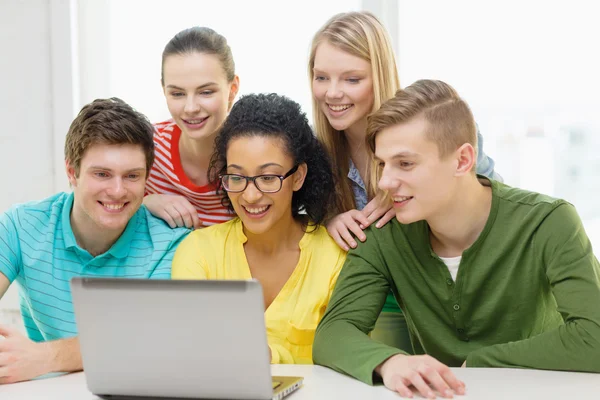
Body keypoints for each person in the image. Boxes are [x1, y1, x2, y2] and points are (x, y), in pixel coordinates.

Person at [313, 80, 600, 398]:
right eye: (382, 164)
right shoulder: (382, 236)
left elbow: (595, 336)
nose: (385, 182)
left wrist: (482, 362)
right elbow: (333, 333)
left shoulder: (550, 221)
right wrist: (390, 363)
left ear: (463, 160)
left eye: (405, 163)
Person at [308, 11, 502, 352]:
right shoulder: (314, 151)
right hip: (371, 312)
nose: (333, 93)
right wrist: (328, 219)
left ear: (379, 75)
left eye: (352, 80)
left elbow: (490, 207)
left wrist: (414, 192)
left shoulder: (432, 129)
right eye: (321, 77)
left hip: (446, 305)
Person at [0, 98, 190, 384]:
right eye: (102, 174)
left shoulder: (170, 245)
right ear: (72, 173)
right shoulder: (20, 226)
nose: (117, 190)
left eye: (132, 176)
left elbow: (152, 341)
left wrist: (47, 357)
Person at [172, 93, 346, 364]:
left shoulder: (335, 256)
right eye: (237, 177)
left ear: (298, 176)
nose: (250, 196)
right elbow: (189, 349)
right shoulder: (199, 251)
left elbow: (342, 355)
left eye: (267, 178)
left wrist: (266, 357)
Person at [144, 27, 240, 228]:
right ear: (164, 91)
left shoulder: (257, 155)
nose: (190, 108)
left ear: (232, 90)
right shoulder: (146, 148)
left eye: (205, 92)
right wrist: (144, 203)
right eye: (177, 94)